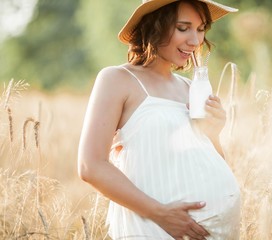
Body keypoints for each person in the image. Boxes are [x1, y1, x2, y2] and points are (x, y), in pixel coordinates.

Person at [78, 0, 240, 239]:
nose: (195, 41)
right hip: (154, 228)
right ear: (155, 26)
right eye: (183, 28)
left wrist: (213, 133)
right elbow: (90, 166)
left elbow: (209, 163)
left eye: (201, 28)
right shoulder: (117, 79)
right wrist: (161, 214)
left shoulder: (190, 88)